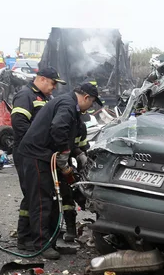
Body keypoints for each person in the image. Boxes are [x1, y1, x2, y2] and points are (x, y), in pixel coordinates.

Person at [17, 83, 101, 260]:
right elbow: (58, 128)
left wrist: (78, 154)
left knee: (47, 199)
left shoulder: (69, 105)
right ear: (86, 97)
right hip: (38, 155)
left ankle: (36, 241)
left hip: (43, 155)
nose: (91, 107)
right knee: (42, 200)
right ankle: (41, 245)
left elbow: (70, 136)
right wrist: (64, 156)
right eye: (92, 102)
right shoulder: (67, 105)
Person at [11, 67, 65, 251]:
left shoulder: (45, 98)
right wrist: (37, 144)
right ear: (41, 79)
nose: (54, 88)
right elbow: (19, 123)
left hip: (35, 152)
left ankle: (25, 237)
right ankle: (35, 239)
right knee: (36, 196)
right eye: (53, 83)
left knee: (31, 195)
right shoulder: (25, 95)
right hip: (27, 152)